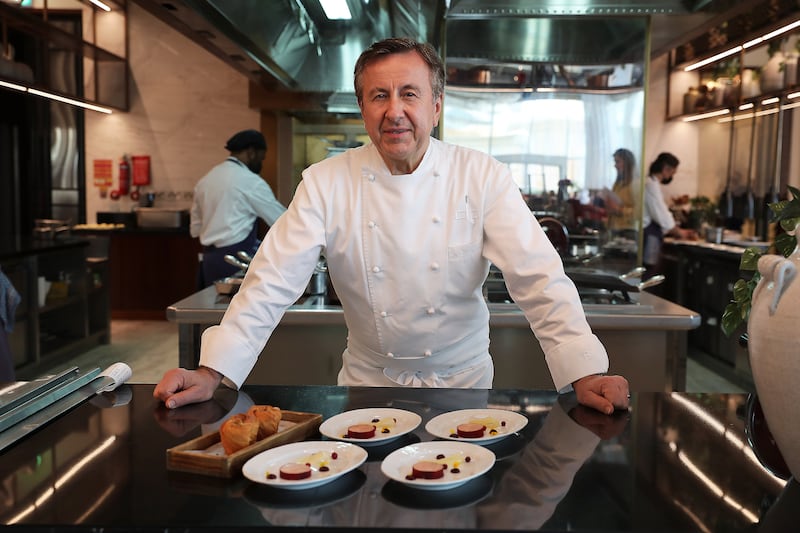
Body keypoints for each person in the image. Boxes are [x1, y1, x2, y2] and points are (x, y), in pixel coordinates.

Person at [155, 38, 629, 415]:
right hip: (367, 387)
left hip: (462, 387)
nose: (394, 110)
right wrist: (213, 371)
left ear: (436, 107)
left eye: (409, 94)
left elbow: (538, 277)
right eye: (379, 96)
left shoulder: (481, 175)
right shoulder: (325, 182)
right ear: (363, 108)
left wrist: (584, 371)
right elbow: (270, 281)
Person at [190, 129, 287, 288]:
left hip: (209, 262)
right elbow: (282, 221)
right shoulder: (250, 182)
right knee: (237, 311)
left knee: (211, 310)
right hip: (236, 264)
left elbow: (195, 229)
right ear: (251, 152)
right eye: (261, 158)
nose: (261, 165)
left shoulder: (205, 180)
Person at [642, 152, 696, 279]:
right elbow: (661, 215)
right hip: (648, 237)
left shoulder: (652, 183)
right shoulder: (650, 185)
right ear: (666, 168)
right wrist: (679, 232)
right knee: (647, 277)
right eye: (673, 173)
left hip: (650, 236)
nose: (672, 176)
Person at [605, 148, 639, 239]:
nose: (615, 166)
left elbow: (639, 213)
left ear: (627, 163)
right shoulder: (618, 183)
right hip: (615, 229)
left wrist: (619, 209)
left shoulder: (636, 184)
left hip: (628, 231)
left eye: (618, 162)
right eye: (615, 162)